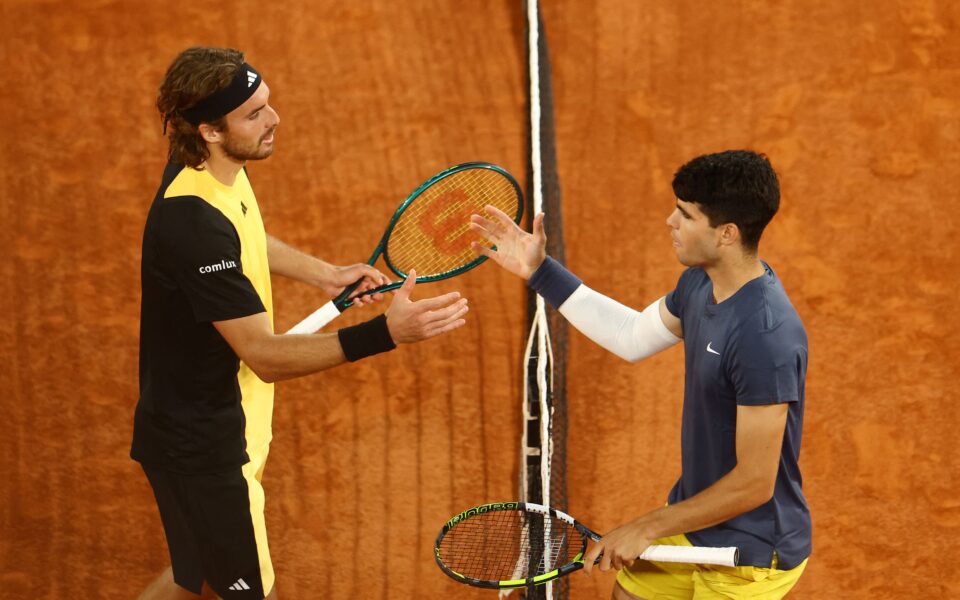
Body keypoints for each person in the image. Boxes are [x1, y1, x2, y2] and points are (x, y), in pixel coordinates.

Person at [132, 47, 469, 600]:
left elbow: (244, 240)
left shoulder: (210, 170)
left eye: (267, 104)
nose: (274, 119)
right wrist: (386, 333)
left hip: (214, 421)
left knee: (194, 574)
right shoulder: (193, 223)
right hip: (207, 446)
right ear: (211, 131)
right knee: (238, 588)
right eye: (254, 114)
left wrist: (326, 274)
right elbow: (263, 356)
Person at [470, 150, 810, 599]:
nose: (670, 221)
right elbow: (631, 337)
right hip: (695, 519)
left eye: (686, 215)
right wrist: (539, 271)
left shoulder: (764, 336)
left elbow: (754, 484)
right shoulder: (700, 284)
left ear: (726, 234)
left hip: (750, 553)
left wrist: (646, 527)